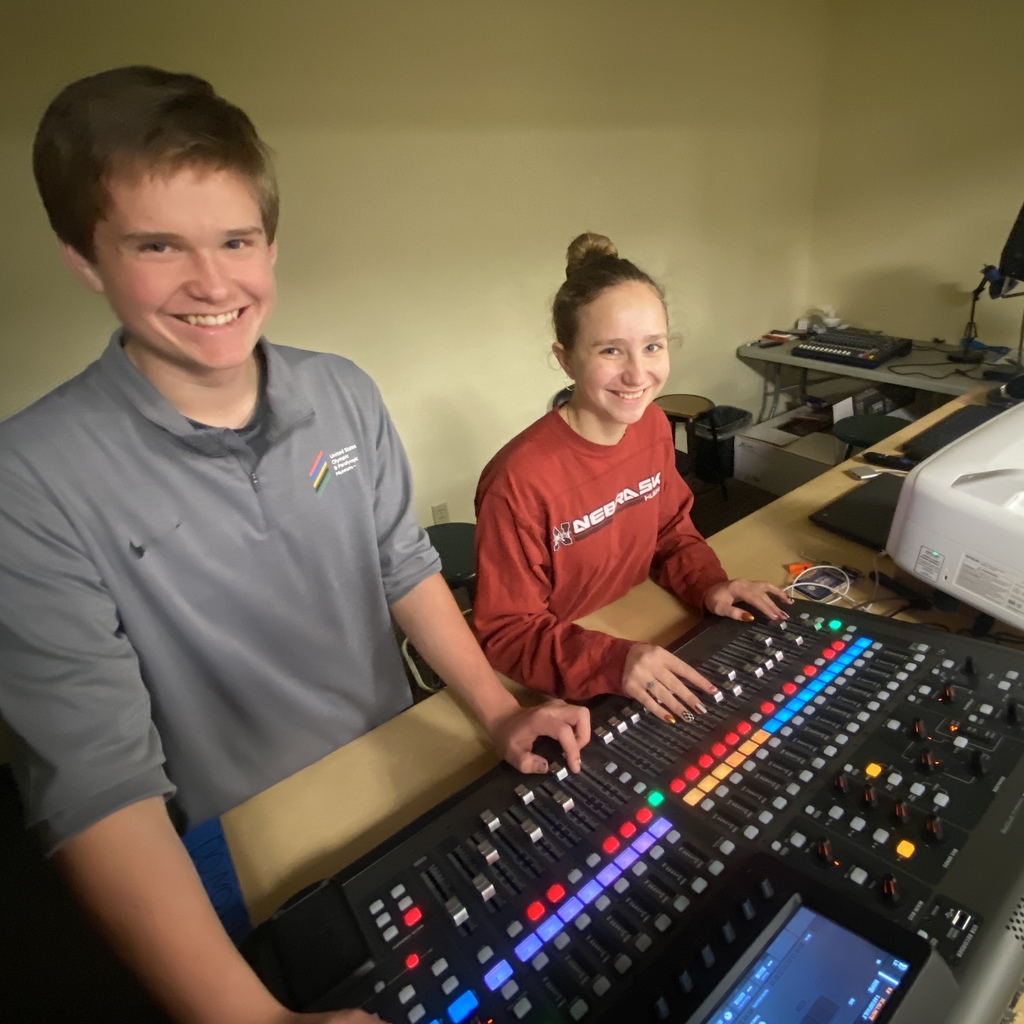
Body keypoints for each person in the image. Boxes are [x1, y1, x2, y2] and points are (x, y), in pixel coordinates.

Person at [0, 67, 590, 1024]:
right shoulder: (28, 478)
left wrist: (494, 710)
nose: (213, 283)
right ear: (83, 255)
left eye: (236, 240)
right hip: (238, 845)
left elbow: (404, 565)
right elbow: (94, 789)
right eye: (158, 246)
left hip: (408, 769)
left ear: (269, 242)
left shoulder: (344, 391)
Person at [473, 232, 791, 723]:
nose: (638, 374)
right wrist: (611, 660)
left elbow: (670, 533)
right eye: (610, 352)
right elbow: (508, 631)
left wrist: (710, 585)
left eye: (652, 346)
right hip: (561, 667)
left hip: (638, 624)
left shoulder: (653, 425)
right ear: (566, 359)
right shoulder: (517, 481)